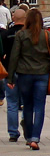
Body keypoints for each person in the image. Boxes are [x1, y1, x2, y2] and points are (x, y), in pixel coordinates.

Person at [6, 8, 50, 151]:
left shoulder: (21, 35)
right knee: (40, 106)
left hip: (24, 74)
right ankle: (36, 137)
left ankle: (29, 137)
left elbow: (14, 56)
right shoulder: (47, 35)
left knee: (27, 106)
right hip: (42, 74)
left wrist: (10, 78)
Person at [2, 8, 25, 142]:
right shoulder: (28, 34)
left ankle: (12, 133)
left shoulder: (6, 34)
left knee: (12, 103)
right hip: (25, 71)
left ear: (13, 18)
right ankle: (26, 124)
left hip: (9, 71)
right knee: (27, 102)